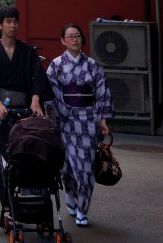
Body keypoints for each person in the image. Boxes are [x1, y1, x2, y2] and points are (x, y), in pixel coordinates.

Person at [0, 6, 52, 206]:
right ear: (0, 25)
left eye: (16, 21)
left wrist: (36, 98)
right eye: (9, 22)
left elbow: (38, 75)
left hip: (26, 109)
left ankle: (33, 195)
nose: (13, 25)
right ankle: (7, 202)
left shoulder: (27, 52)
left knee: (30, 150)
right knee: (4, 155)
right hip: (2, 110)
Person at [46, 23, 114, 227]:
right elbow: (50, 92)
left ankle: (83, 210)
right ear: (63, 40)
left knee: (85, 166)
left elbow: (102, 91)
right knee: (66, 165)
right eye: (70, 36)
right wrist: (58, 113)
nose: (75, 39)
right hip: (64, 120)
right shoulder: (56, 65)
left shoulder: (92, 65)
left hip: (87, 120)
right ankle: (69, 195)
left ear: (82, 40)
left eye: (78, 36)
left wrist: (103, 118)